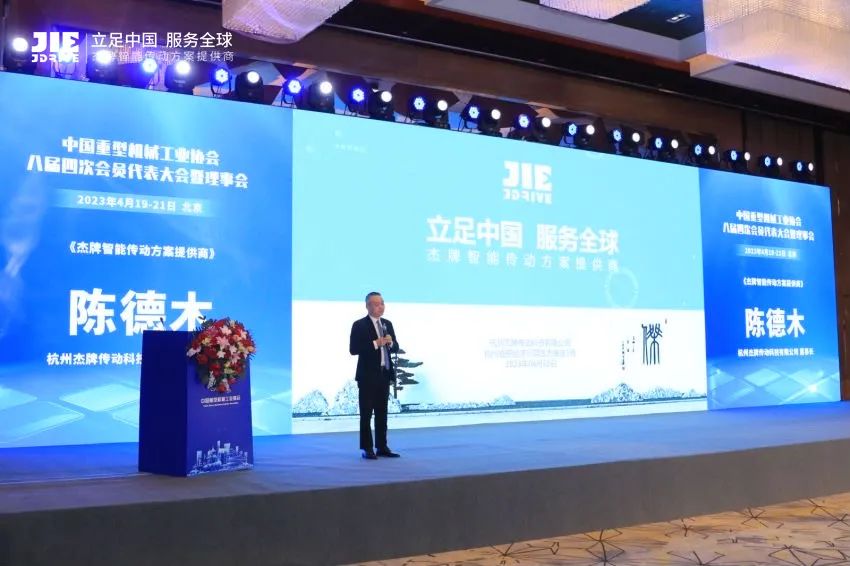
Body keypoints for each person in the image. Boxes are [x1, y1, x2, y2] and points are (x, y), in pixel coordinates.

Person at [349, 292, 401, 460]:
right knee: (366, 414)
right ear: (368, 306)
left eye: (382, 303)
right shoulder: (359, 325)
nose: (381, 307)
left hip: (384, 374)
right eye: (377, 304)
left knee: (382, 413)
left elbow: (396, 347)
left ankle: (382, 446)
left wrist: (390, 342)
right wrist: (375, 343)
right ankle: (367, 448)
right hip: (367, 376)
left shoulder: (387, 324)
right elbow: (353, 349)